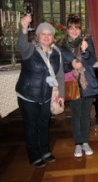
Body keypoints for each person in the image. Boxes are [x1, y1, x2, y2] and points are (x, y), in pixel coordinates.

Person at [16, 16, 65, 168]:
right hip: (28, 96)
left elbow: (60, 75)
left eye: (49, 34)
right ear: (37, 36)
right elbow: (21, 45)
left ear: (52, 37)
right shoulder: (30, 49)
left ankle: (45, 151)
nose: (46, 36)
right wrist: (23, 29)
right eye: (42, 34)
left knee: (44, 124)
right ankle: (34, 155)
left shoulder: (57, 53)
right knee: (31, 126)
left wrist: (61, 95)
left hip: (47, 96)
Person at [58, 14, 98, 158]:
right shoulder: (62, 46)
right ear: (67, 30)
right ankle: (77, 144)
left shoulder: (87, 41)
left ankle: (85, 142)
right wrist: (71, 65)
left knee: (86, 115)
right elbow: (60, 67)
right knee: (76, 115)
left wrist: (86, 50)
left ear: (80, 29)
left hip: (86, 83)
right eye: (71, 28)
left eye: (77, 28)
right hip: (73, 84)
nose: (74, 31)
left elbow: (92, 60)